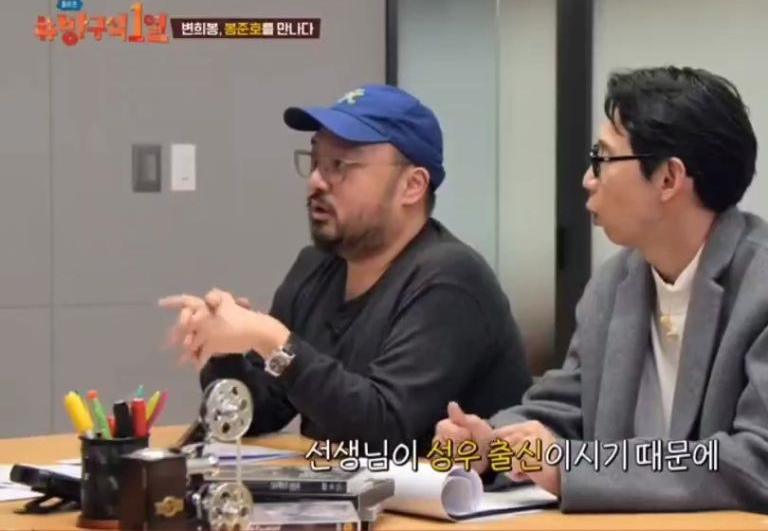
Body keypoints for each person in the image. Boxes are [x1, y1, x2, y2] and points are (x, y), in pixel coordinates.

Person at [434, 67, 768, 529]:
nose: (588, 179)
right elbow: (565, 410)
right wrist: (491, 445)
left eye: (603, 159)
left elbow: (762, 465)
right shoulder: (615, 284)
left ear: (668, 179)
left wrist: (569, 466)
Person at [160, 84, 532, 453]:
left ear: (412, 186)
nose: (315, 181)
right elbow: (263, 412)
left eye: (339, 166)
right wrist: (225, 351)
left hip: (462, 490)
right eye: (316, 162)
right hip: (344, 489)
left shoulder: (450, 280)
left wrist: (271, 339)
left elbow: (382, 430)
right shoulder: (315, 269)